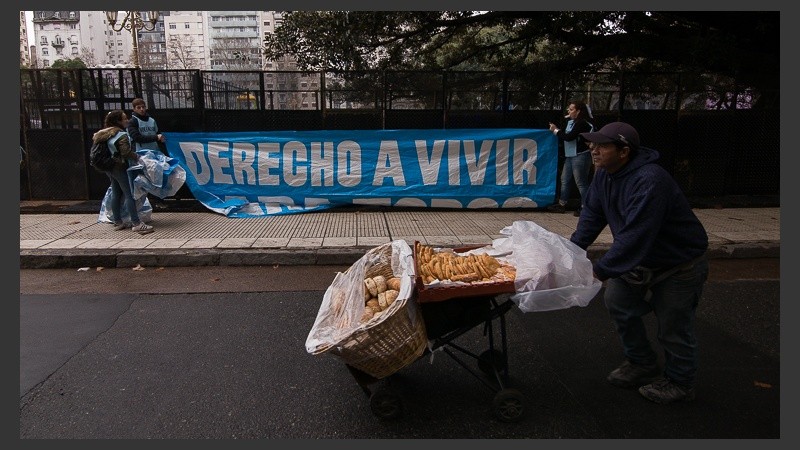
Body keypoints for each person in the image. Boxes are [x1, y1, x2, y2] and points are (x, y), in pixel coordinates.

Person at [570, 122, 709, 404]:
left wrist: (597, 272)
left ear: (624, 151)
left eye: (602, 145)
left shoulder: (649, 180)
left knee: (673, 326)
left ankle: (681, 383)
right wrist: (569, 254)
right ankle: (642, 363)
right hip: (640, 259)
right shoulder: (604, 175)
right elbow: (591, 217)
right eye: (592, 144)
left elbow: (634, 237)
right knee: (618, 303)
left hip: (677, 264)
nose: (593, 150)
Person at [92, 110, 154, 235]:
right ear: (118, 121)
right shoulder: (121, 135)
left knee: (116, 193)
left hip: (109, 166)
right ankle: (136, 224)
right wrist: (137, 156)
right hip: (119, 166)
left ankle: (118, 221)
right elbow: (125, 153)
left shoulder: (106, 133)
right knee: (129, 194)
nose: (127, 120)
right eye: (124, 119)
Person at [547, 100, 594, 216]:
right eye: (569, 109)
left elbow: (569, 137)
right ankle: (562, 204)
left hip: (581, 155)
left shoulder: (583, 123)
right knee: (565, 179)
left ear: (578, 111)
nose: (569, 111)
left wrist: (555, 130)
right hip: (570, 155)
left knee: (581, 182)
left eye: (572, 109)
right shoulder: (572, 122)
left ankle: (586, 207)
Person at [128, 97, 169, 207]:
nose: (141, 109)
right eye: (138, 107)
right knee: (143, 178)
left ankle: (158, 200)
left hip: (154, 153)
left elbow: (157, 133)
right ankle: (144, 202)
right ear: (134, 109)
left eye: (143, 107)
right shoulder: (133, 122)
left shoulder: (151, 120)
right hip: (141, 154)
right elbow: (137, 137)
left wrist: (160, 139)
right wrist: (156, 137)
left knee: (155, 178)